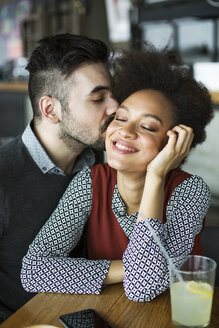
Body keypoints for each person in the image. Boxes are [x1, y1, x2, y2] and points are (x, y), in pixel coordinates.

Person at [21, 44, 213, 303]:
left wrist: (156, 176)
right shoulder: (90, 182)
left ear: (173, 143)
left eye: (147, 126)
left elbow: (141, 288)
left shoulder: (190, 192)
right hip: (106, 316)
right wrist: (128, 268)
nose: (124, 131)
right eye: (120, 118)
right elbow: (33, 270)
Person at [0, 33, 118, 323]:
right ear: (50, 109)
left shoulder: (102, 160)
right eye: (98, 98)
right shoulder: (3, 177)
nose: (115, 107)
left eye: (112, 94)